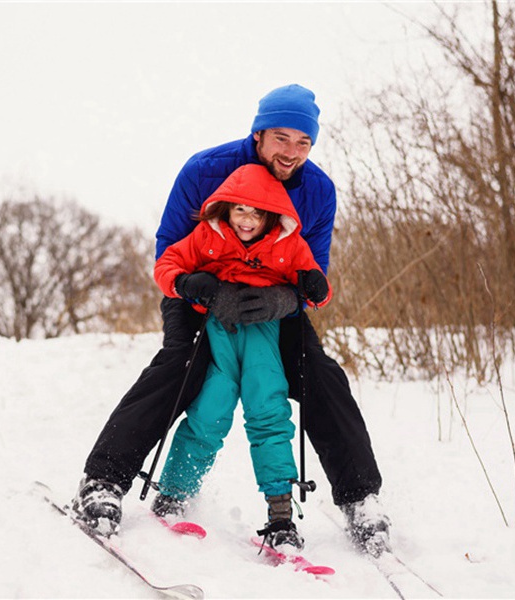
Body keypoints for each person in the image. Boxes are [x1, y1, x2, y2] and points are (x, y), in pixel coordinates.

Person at [72, 84, 390, 556]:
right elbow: (169, 252)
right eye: (283, 138)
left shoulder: (317, 190)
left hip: (273, 305)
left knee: (319, 374)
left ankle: (361, 498)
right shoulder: (205, 171)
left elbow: (313, 272)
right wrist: (204, 290)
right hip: (199, 294)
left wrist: (285, 302)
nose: (292, 152)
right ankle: (102, 481)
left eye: (304, 142)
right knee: (182, 365)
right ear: (259, 133)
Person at [152, 163, 332, 550]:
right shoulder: (207, 236)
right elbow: (166, 265)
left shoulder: (288, 244)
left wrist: (317, 286)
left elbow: (317, 285)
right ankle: (173, 493)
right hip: (217, 330)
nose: (247, 220)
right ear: (225, 210)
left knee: (268, 407)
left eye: (257, 212)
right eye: (240, 211)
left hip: (263, 334)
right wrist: (185, 282)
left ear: (271, 216)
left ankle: (280, 514)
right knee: (209, 409)